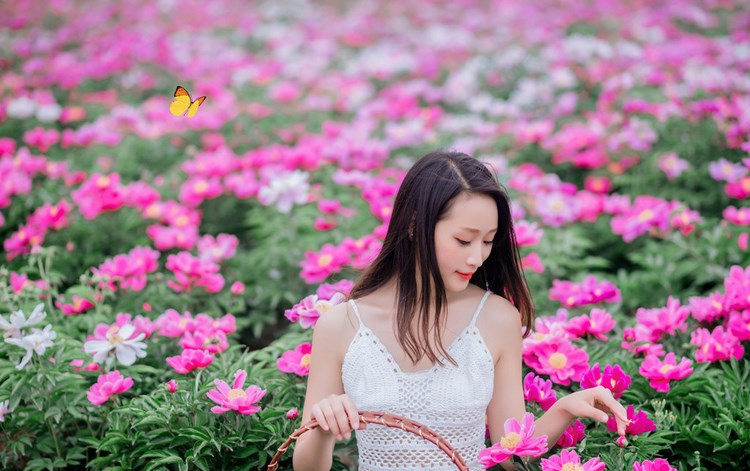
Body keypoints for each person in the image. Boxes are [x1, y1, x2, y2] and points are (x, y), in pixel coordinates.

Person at [292, 151, 628, 471]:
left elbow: (509, 455)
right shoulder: (341, 325)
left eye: (488, 241)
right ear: (413, 224)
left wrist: (565, 408)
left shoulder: (498, 318)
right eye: (464, 240)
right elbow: (307, 467)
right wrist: (322, 424)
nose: (477, 258)